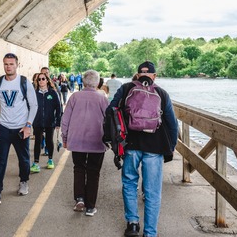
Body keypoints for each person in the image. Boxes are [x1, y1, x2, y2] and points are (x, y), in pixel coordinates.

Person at [109, 61, 178, 237]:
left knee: (129, 183)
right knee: (152, 191)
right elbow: (172, 124)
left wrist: (115, 141)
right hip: (155, 148)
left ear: (138, 74)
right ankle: (150, 232)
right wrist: (170, 148)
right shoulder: (162, 93)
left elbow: (111, 111)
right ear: (154, 76)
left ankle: (132, 223)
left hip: (130, 145)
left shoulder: (126, 88)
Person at [0, 53, 38, 205]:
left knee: (23, 158)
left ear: (17, 65)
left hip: (21, 128)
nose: (8, 67)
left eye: (11, 64)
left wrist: (28, 125)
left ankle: (24, 181)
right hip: (3, 127)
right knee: (0, 160)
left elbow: (33, 105)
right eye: (6, 64)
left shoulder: (24, 82)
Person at [61, 70, 109, 217]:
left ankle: (80, 199)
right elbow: (108, 121)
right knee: (93, 173)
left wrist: (65, 138)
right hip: (97, 141)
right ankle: (90, 206)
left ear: (83, 81)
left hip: (77, 140)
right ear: (97, 82)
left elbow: (65, 120)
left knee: (79, 168)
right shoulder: (102, 98)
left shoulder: (75, 97)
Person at [30, 73, 62, 172]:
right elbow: (29, 107)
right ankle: (35, 163)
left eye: (43, 79)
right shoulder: (34, 93)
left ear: (47, 80)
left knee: (49, 141)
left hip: (50, 121)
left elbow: (58, 108)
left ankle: (50, 160)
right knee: (38, 142)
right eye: (39, 79)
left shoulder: (53, 93)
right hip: (37, 121)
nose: (41, 81)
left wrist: (58, 122)